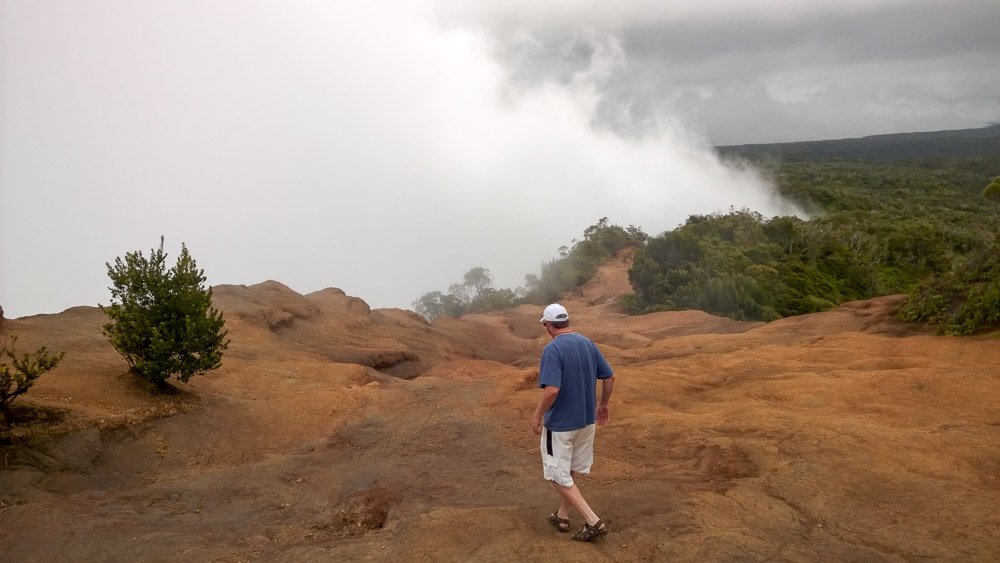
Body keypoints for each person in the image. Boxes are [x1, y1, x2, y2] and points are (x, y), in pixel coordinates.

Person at [531, 303, 614, 542]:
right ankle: (563, 516)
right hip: (587, 422)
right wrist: (604, 404)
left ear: (548, 326)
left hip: (561, 425)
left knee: (557, 476)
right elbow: (609, 376)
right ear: (565, 322)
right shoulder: (587, 343)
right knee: (569, 469)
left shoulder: (553, 349)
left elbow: (552, 390)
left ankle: (593, 521)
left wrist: (537, 415)